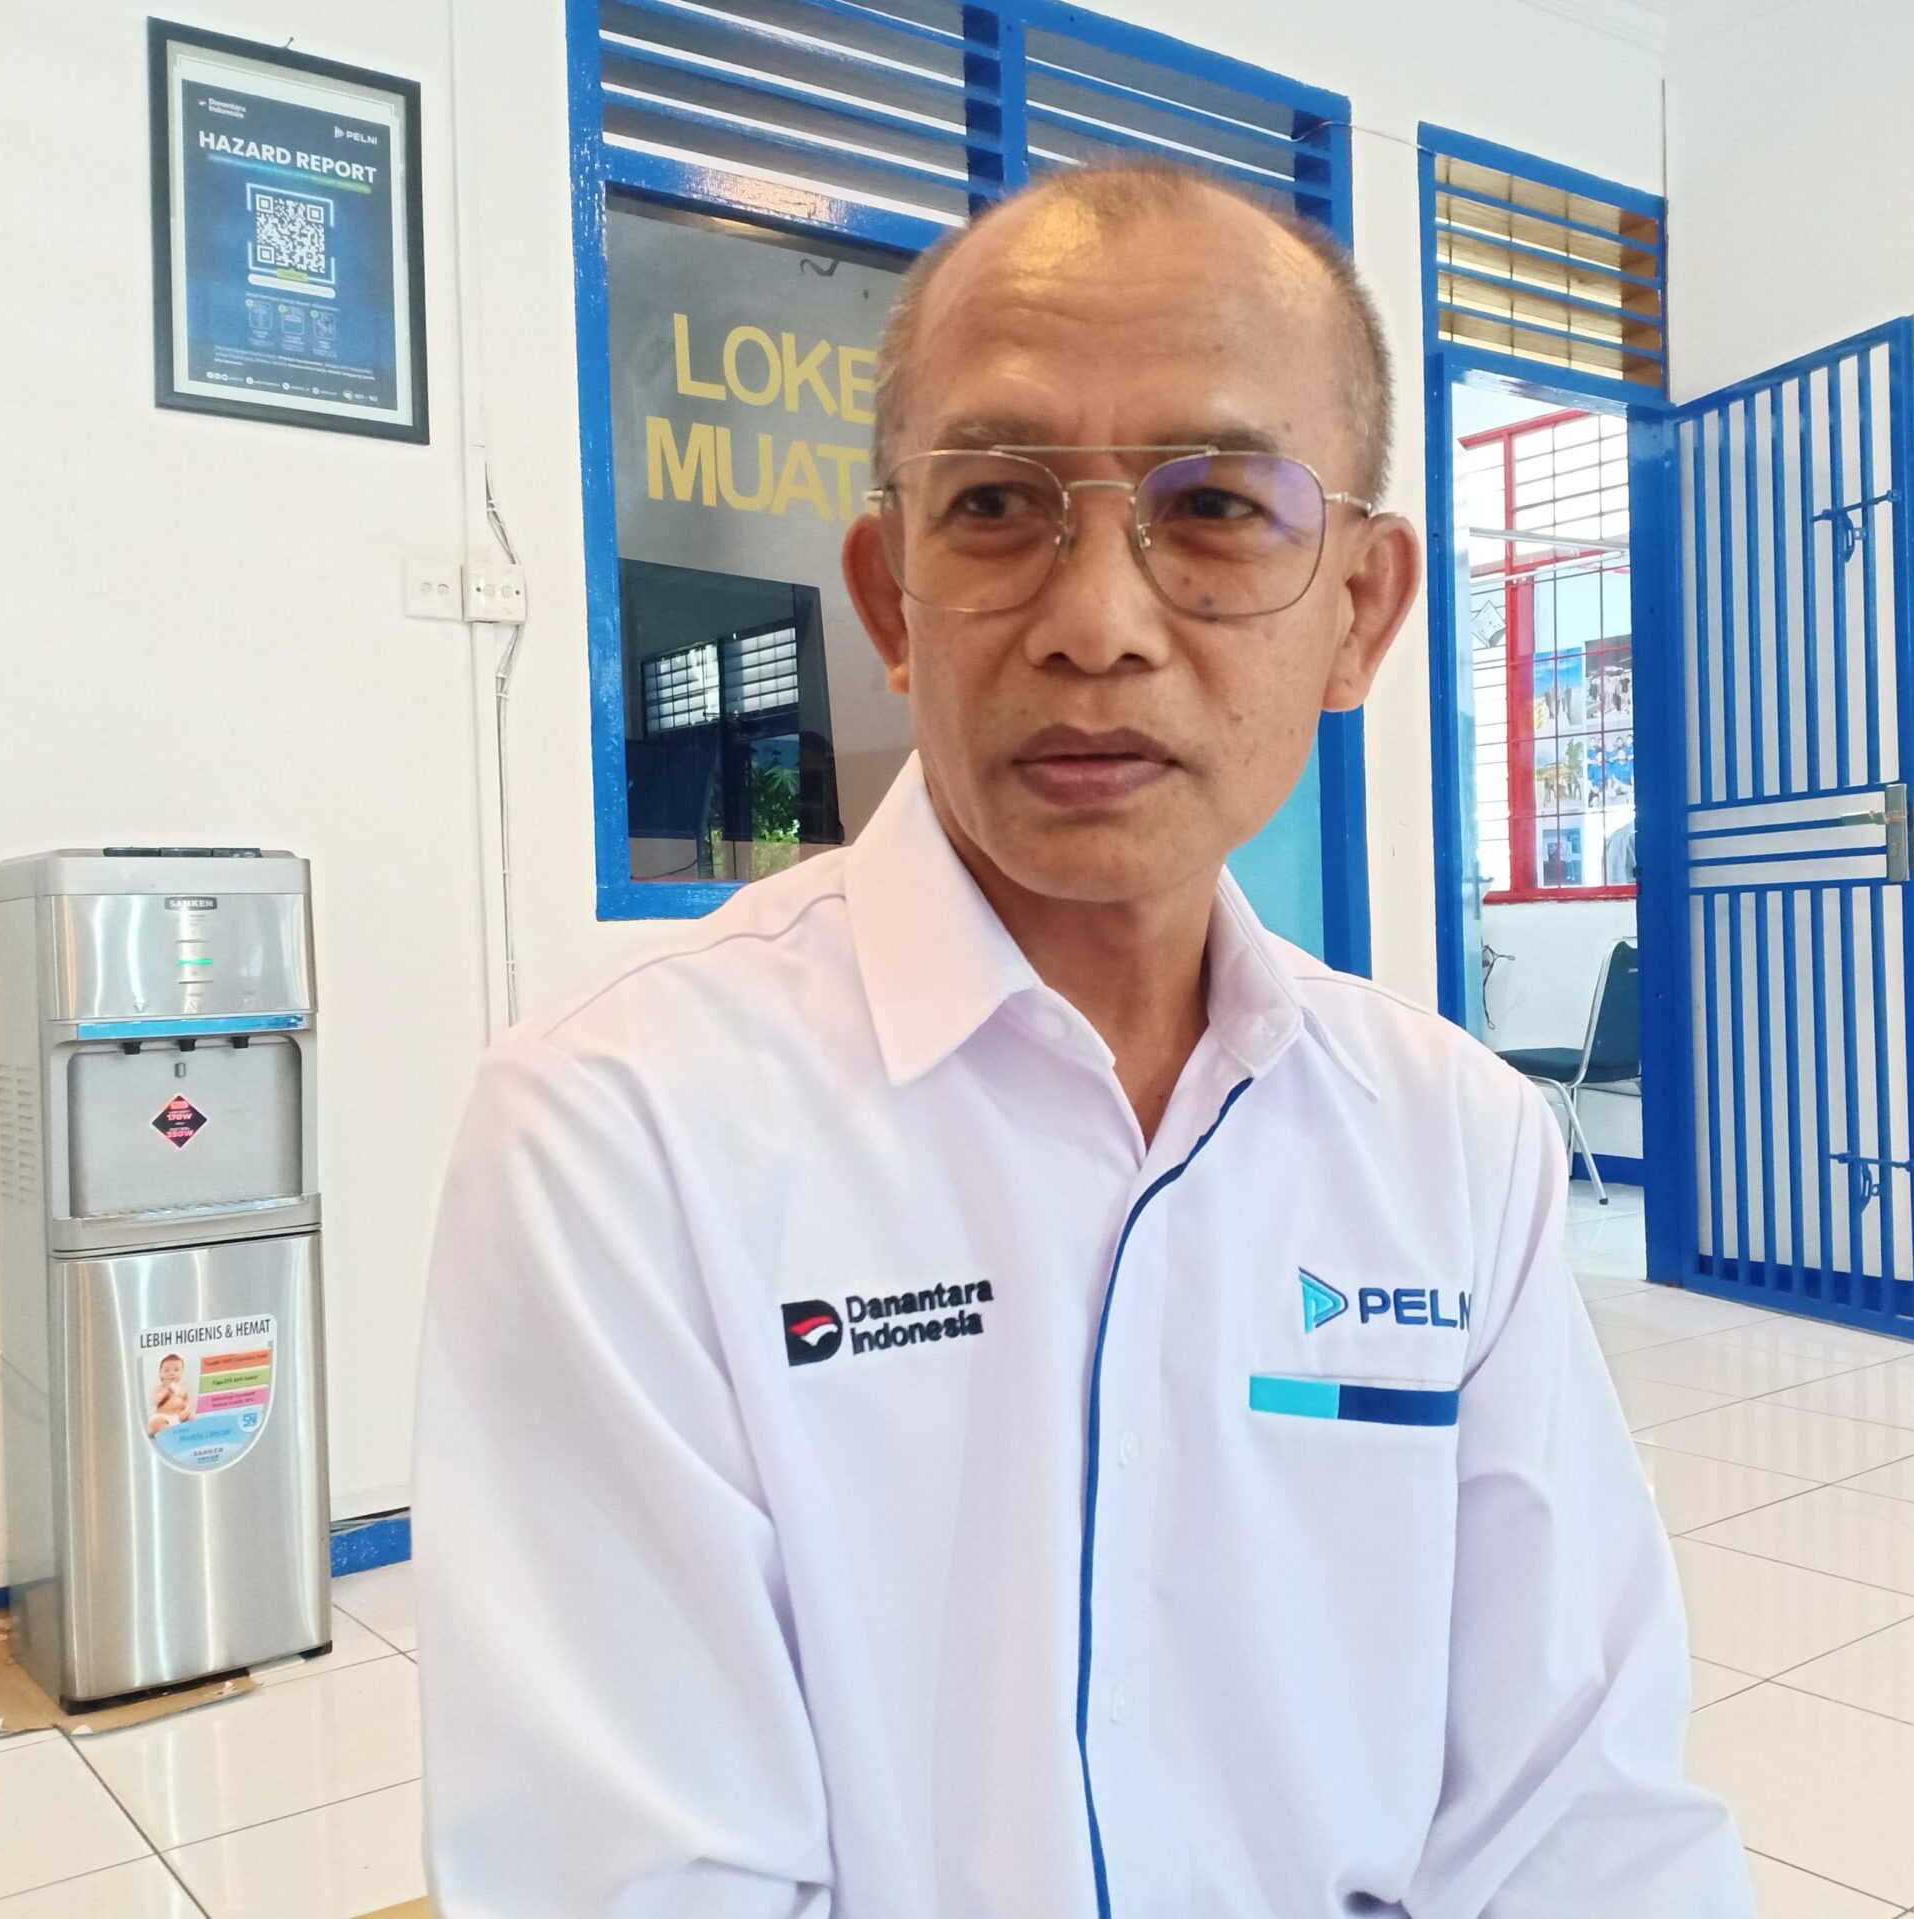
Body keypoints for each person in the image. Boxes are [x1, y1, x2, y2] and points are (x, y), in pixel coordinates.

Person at [413, 162, 1750, 1917]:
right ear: (890, 601)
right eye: (994, 504)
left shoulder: (1454, 1141)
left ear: (1360, 610)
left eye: (1216, 506)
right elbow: (639, 1881)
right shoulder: (625, 1130)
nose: (1098, 622)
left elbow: (1580, 1817)